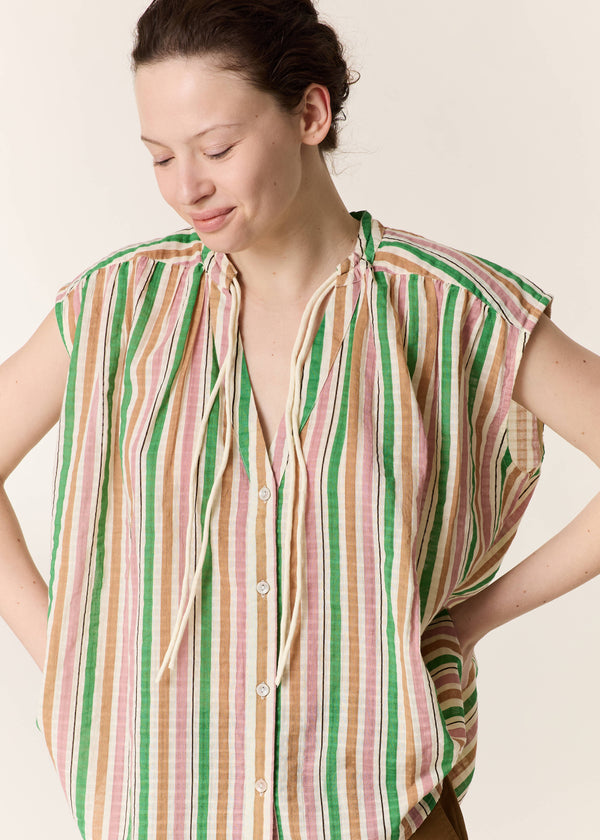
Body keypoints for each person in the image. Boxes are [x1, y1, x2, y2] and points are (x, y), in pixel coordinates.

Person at [0, 0, 598, 838]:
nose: (187, 188)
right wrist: (68, 646)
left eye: (217, 148)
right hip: (162, 811)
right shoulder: (117, 309)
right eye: (160, 157)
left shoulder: (449, 308)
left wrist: (475, 615)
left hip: (381, 812)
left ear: (310, 114)